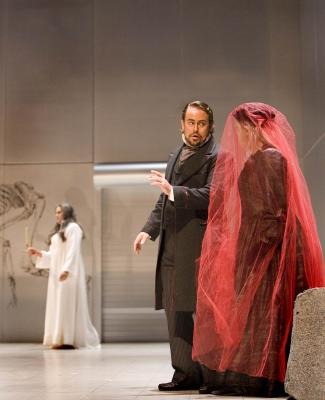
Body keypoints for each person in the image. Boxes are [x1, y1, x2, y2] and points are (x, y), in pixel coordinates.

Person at [192, 102, 325, 397]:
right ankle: (265, 376)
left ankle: (268, 378)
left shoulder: (269, 159)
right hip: (264, 244)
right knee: (262, 313)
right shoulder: (265, 158)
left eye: (240, 130)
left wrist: (256, 253)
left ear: (252, 128)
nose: (237, 137)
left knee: (269, 310)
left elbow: (274, 213)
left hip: (271, 250)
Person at [133, 101, 218, 391]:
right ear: (181, 124)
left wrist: (174, 191)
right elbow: (163, 200)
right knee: (174, 308)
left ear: (210, 126)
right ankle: (184, 373)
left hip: (198, 244)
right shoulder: (176, 154)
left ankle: (209, 375)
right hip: (172, 243)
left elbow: (211, 195)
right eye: (191, 122)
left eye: (201, 123)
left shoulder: (216, 157)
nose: (195, 129)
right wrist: (148, 230)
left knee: (201, 312)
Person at [27, 203, 100, 349]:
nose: (57, 215)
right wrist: (40, 253)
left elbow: (73, 250)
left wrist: (67, 269)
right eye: (56, 212)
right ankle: (59, 339)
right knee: (58, 303)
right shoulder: (58, 233)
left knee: (67, 303)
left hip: (69, 273)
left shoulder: (74, 228)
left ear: (66, 213)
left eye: (59, 212)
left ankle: (68, 339)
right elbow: (54, 254)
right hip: (57, 273)